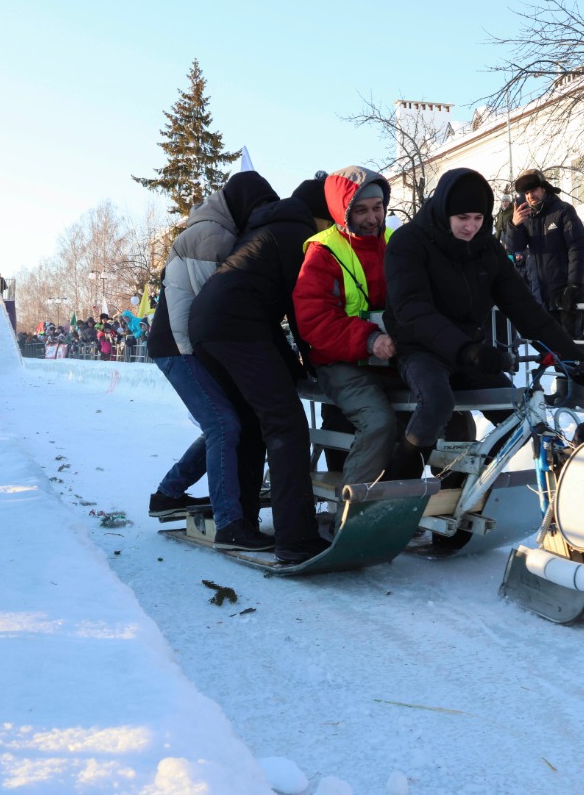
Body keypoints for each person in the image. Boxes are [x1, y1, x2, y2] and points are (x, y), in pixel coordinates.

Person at [384, 168, 584, 476]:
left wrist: (575, 361)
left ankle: (469, 489)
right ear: (445, 210)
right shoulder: (408, 243)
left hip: (467, 350)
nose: (471, 227)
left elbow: (525, 309)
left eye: (478, 218)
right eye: (463, 218)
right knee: (436, 402)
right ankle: (395, 490)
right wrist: (467, 350)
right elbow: (413, 311)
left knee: (518, 412)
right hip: (420, 349)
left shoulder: (485, 248)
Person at [187, 188, 328, 564]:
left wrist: (293, 363)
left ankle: (244, 519)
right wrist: (313, 360)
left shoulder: (267, 230)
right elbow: (300, 307)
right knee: (286, 424)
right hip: (237, 328)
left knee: (252, 422)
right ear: (322, 218)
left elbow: (264, 303)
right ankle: (296, 538)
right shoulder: (301, 237)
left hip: (207, 326)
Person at [145, 171, 277, 550]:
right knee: (223, 424)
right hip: (179, 345)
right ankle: (230, 523)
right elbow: (214, 307)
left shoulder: (219, 229)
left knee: (224, 422)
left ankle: (169, 493)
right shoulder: (213, 235)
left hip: (183, 342)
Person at [293, 166, 402, 489]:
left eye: (378, 208)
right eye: (362, 210)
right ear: (344, 212)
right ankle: (356, 514)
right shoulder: (322, 252)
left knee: (440, 416)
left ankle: (422, 507)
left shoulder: (395, 242)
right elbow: (315, 321)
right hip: (339, 361)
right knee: (379, 423)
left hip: (389, 358)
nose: (372, 218)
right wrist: (370, 339)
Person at [504, 167, 584, 406]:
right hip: (541, 292)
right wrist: (514, 226)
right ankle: (563, 390)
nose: (531, 196)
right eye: (526, 193)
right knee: (552, 344)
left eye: (534, 190)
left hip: (565, 289)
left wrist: (573, 286)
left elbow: (578, 249)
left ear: (544, 188)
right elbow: (514, 250)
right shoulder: (527, 216)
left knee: (573, 342)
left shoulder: (563, 211)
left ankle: (577, 394)